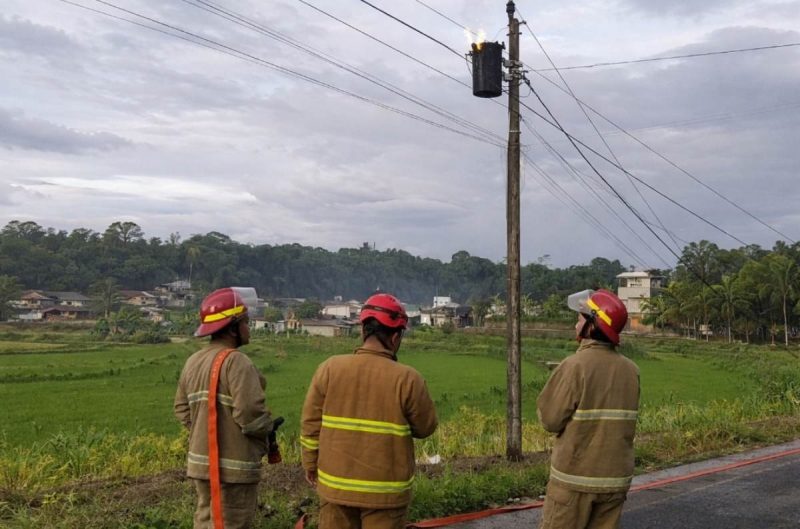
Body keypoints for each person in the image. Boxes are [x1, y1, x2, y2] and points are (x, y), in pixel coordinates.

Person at [301, 293, 438, 529]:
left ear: (363, 331)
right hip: (386, 494)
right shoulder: (408, 379)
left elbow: (310, 426)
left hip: (335, 488)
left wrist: (311, 466)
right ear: (395, 338)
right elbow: (426, 427)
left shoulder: (329, 369)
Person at [537, 289, 639, 529]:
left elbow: (550, 420)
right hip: (615, 482)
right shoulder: (631, 370)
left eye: (581, 317)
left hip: (575, 482)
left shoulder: (574, 366)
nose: (576, 323)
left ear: (592, 326)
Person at [174, 287, 276, 529]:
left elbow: (181, 409)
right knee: (231, 523)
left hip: (202, 465)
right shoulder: (236, 361)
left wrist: (202, 434)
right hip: (233, 469)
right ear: (233, 328)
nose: (248, 328)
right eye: (246, 323)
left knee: (205, 522)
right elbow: (251, 416)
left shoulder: (193, 361)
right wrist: (267, 432)